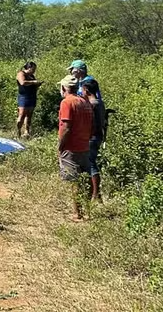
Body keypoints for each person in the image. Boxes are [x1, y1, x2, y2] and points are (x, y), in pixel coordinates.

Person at [58, 74, 94, 222]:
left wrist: (60, 145)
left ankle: (77, 213)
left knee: (75, 181)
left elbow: (66, 126)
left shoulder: (67, 102)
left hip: (71, 146)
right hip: (84, 145)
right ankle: (87, 210)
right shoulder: (84, 102)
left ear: (64, 88)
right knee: (84, 179)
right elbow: (92, 125)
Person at [81, 78, 107, 203]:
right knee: (89, 163)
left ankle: (96, 194)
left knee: (91, 164)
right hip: (97, 136)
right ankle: (93, 193)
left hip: (92, 137)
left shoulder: (92, 104)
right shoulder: (100, 102)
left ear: (85, 90)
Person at [16, 62, 44, 138]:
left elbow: (32, 85)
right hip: (24, 96)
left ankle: (26, 132)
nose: (34, 70)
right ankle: (18, 132)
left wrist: (37, 84)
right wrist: (33, 82)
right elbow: (22, 82)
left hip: (32, 96)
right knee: (22, 114)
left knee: (29, 115)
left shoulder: (31, 76)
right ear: (29, 68)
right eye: (33, 69)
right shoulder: (21, 73)